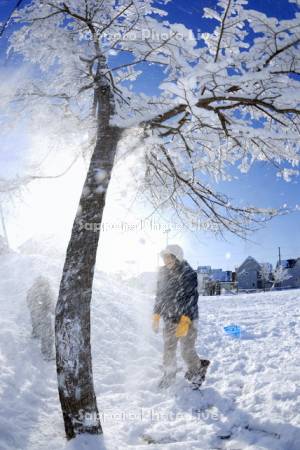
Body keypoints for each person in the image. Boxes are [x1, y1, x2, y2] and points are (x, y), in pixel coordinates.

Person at [152, 244, 210, 389]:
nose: (166, 260)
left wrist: (185, 319)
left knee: (186, 350)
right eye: (164, 257)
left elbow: (190, 298)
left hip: (187, 319)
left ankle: (198, 371)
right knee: (168, 349)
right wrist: (156, 315)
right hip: (170, 318)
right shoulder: (163, 273)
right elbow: (160, 296)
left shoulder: (188, 273)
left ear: (177, 257)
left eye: (169, 257)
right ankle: (169, 375)